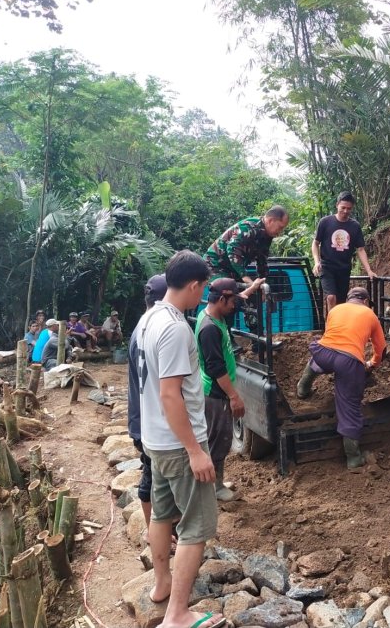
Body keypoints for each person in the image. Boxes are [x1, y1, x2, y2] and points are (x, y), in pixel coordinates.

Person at [137, 250, 225, 628]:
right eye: (202, 288)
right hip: (178, 443)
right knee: (196, 527)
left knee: (162, 513)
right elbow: (170, 393)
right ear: (193, 285)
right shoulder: (175, 328)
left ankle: (161, 585)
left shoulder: (149, 318)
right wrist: (195, 451)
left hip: (156, 440)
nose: (202, 295)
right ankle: (178, 614)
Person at [296, 287, 386, 469]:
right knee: (349, 406)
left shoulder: (335, 309)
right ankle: (353, 457)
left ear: (348, 298)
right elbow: (380, 347)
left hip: (323, 352)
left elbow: (331, 334)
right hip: (349, 361)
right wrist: (372, 364)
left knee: (320, 356)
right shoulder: (370, 314)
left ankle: (302, 388)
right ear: (366, 301)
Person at [195, 277, 264, 501]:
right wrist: (233, 396)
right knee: (219, 439)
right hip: (216, 393)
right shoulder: (209, 329)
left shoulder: (212, 315)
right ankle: (214, 488)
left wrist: (251, 289)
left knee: (218, 438)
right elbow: (216, 367)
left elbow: (239, 298)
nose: (235, 305)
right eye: (232, 300)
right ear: (222, 299)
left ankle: (216, 482)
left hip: (216, 391)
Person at [128, 274, 168, 537]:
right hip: (148, 421)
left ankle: (160, 531)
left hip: (141, 418)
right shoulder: (153, 329)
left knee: (153, 475)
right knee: (151, 478)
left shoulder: (141, 327)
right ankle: (156, 534)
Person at [311, 192, 377, 314]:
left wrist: (369, 270)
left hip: (344, 269)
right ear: (337, 205)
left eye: (349, 208)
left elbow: (360, 249)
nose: (346, 211)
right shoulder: (325, 222)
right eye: (343, 208)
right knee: (331, 297)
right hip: (327, 267)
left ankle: (338, 327)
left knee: (341, 303)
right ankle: (332, 328)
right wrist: (316, 262)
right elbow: (315, 243)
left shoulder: (354, 226)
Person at [204, 206, 289, 284]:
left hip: (232, 270)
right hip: (214, 266)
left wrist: (262, 283)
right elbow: (233, 250)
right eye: (280, 227)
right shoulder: (248, 228)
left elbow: (262, 260)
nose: (280, 232)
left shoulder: (267, 235)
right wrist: (245, 277)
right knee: (227, 290)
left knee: (247, 295)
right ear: (270, 220)